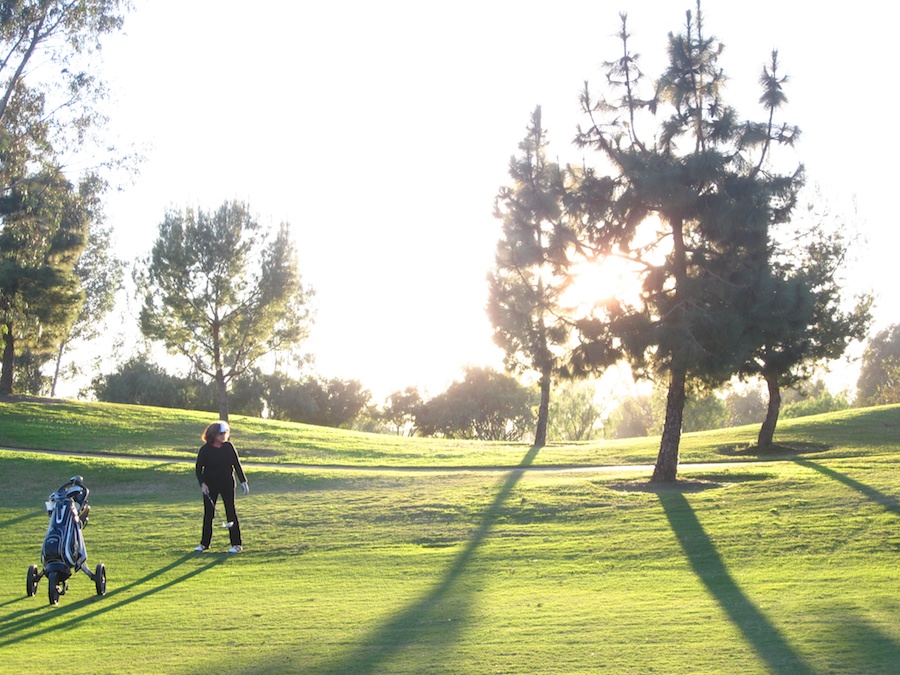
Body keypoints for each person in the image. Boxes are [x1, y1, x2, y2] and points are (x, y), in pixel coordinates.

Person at [194, 420, 249, 553]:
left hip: (227, 484)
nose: (224, 436)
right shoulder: (205, 450)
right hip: (210, 485)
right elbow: (198, 469)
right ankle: (204, 544)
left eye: (225, 433)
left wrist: (243, 482)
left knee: (231, 512)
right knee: (208, 515)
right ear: (213, 434)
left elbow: (237, 465)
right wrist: (203, 484)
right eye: (221, 433)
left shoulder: (229, 447)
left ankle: (236, 544)